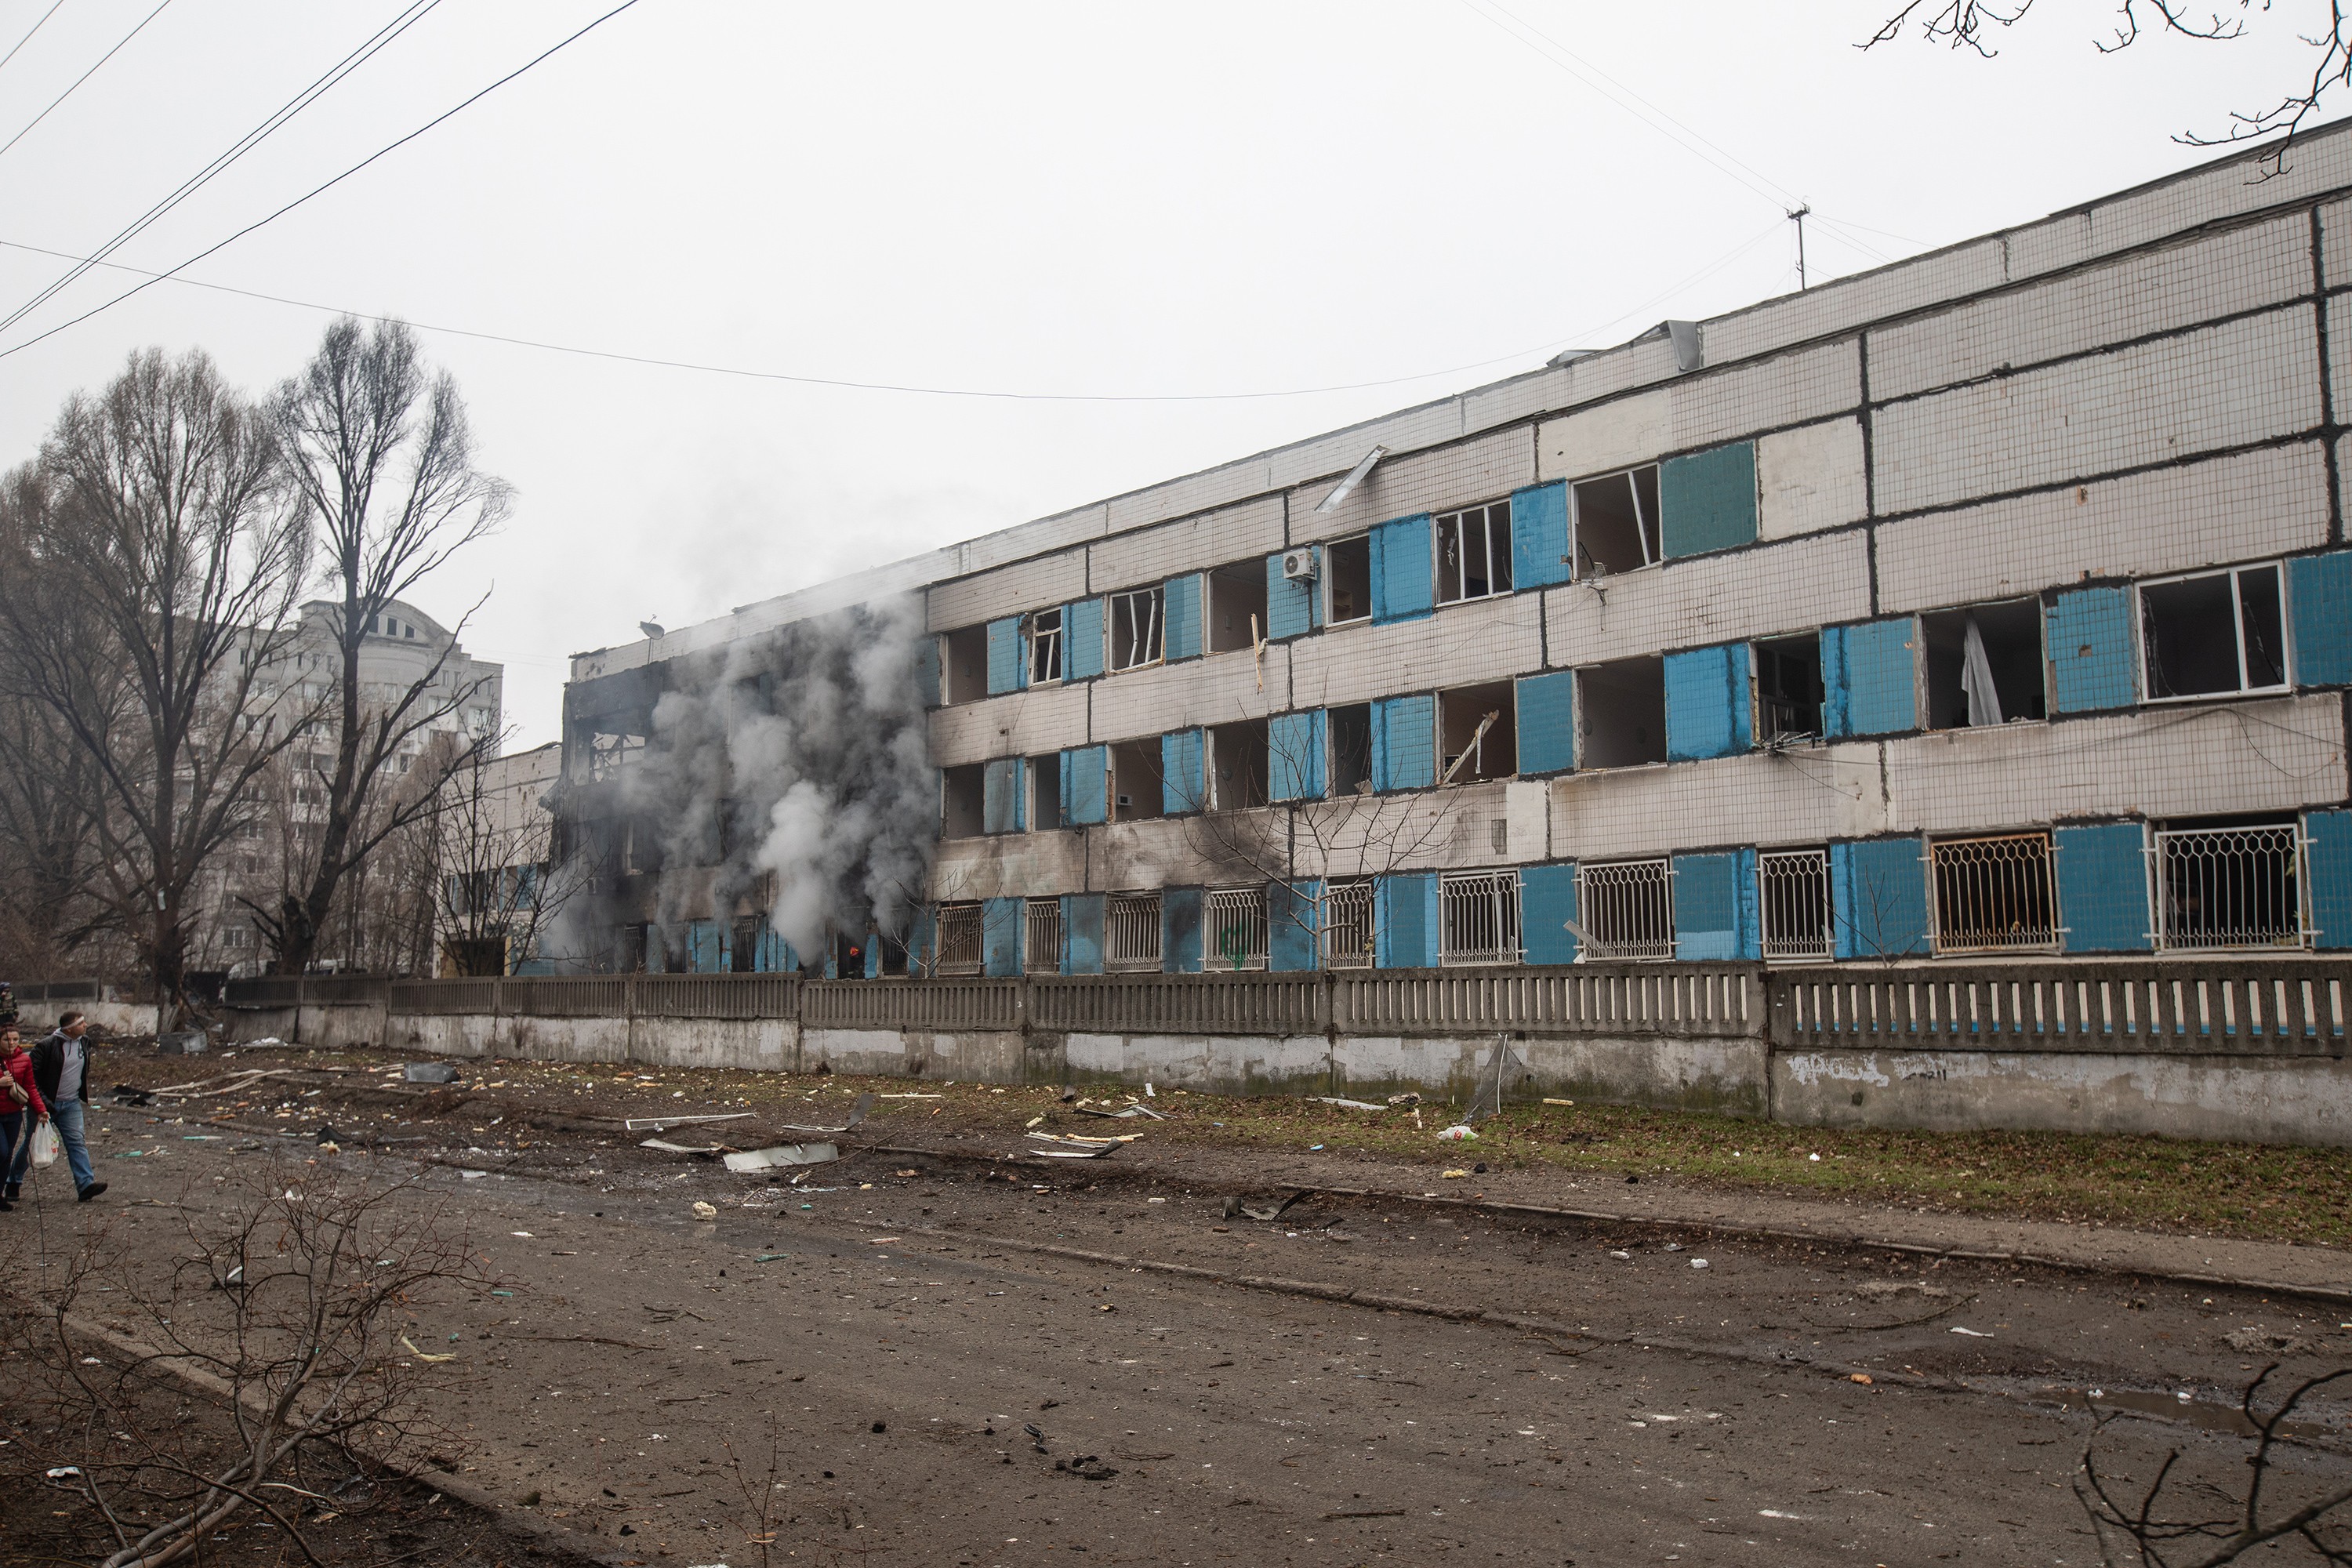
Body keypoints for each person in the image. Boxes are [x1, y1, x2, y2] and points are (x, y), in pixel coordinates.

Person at [24, 1011, 103, 1202]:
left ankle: (85, 1185)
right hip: (44, 1104)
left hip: (71, 1103)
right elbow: (32, 1078)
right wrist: (43, 1102)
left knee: (76, 1141)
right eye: (81, 1023)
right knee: (30, 1144)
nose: (85, 1026)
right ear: (69, 1028)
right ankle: (13, 1181)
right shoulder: (46, 1046)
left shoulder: (84, 1043)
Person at [0, 1025, 41, 1211]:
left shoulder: (24, 1060)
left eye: (15, 1039)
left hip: (14, 1114)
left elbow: (30, 1087)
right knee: (1, 1151)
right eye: (7, 1040)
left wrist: (41, 1110)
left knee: (7, 1156)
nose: (12, 1043)